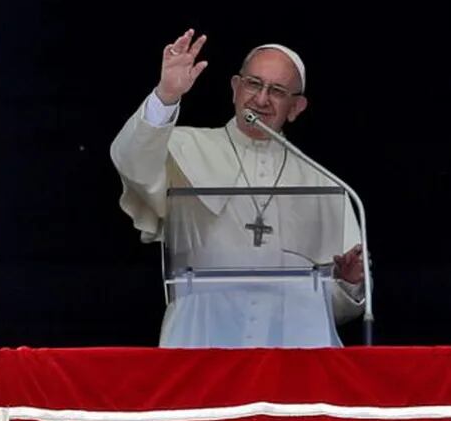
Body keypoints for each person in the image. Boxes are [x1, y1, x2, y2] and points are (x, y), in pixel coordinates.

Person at [110, 28, 366, 347]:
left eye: (276, 91)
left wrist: (349, 284)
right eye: (254, 84)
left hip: (294, 345)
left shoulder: (321, 181)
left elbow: (334, 308)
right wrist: (166, 96)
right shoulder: (183, 146)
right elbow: (130, 160)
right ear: (235, 87)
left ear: (296, 107)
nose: (260, 99)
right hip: (200, 337)